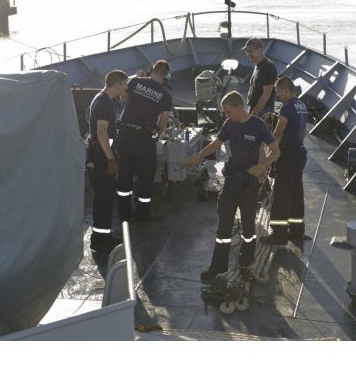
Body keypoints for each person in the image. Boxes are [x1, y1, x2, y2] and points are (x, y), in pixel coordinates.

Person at [182, 91, 280, 282]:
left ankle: (246, 265)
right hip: (231, 181)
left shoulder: (258, 126)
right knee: (223, 228)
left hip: (249, 184)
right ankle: (217, 266)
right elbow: (217, 143)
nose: (227, 116)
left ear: (239, 107)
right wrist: (198, 156)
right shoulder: (230, 124)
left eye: (228, 111)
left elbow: (276, 150)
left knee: (248, 229)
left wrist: (263, 165)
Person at [116, 60, 173, 222]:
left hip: (125, 136)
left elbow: (123, 98)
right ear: (166, 76)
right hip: (144, 140)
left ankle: (123, 213)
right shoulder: (166, 95)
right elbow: (162, 124)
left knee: (124, 175)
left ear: (151, 70)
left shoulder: (134, 81)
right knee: (146, 178)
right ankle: (143, 214)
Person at [263, 76, 308, 246]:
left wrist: (269, 153)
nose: (278, 95)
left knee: (281, 195)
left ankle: (279, 234)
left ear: (285, 90)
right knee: (296, 194)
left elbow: (278, 132)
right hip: (299, 154)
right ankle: (297, 231)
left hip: (288, 156)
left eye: (278, 92)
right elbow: (304, 133)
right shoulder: (302, 106)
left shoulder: (287, 108)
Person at [87, 70, 129, 252]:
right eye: (125, 84)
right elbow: (101, 132)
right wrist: (110, 158)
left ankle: (104, 233)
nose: (126, 87)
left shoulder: (101, 99)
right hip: (102, 157)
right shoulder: (104, 103)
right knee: (104, 197)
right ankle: (98, 239)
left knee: (106, 196)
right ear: (117, 84)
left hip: (100, 155)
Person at [244, 37, 277, 117]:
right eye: (246, 51)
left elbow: (266, 94)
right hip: (253, 108)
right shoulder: (258, 66)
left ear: (260, 50)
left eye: (250, 51)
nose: (248, 54)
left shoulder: (268, 67)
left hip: (263, 111)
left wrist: (254, 113)